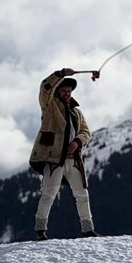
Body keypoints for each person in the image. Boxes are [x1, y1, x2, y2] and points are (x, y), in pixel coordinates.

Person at [29, 67, 98, 239]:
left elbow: (86, 131)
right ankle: (40, 229)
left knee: (82, 193)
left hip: (73, 159)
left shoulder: (76, 112)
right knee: (49, 194)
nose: (67, 93)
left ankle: (88, 229)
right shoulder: (49, 106)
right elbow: (44, 87)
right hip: (54, 158)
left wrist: (78, 141)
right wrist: (59, 74)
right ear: (58, 91)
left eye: (69, 90)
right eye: (64, 90)